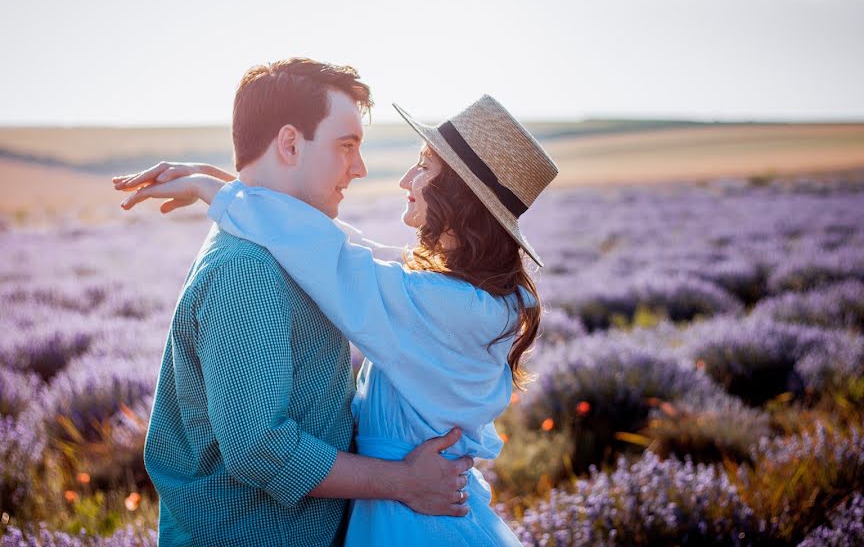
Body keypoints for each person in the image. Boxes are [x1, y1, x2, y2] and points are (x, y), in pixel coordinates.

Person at [116, 93, 559, 545]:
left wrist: (220, 193)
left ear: (461, 200)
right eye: (346, 146)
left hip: (411, 516)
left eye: (424, 168)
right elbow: (347, 251)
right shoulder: (478, 299)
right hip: (412, 509)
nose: (404, 178)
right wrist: (234, 189)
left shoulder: (449, 306)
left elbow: (338, 260)